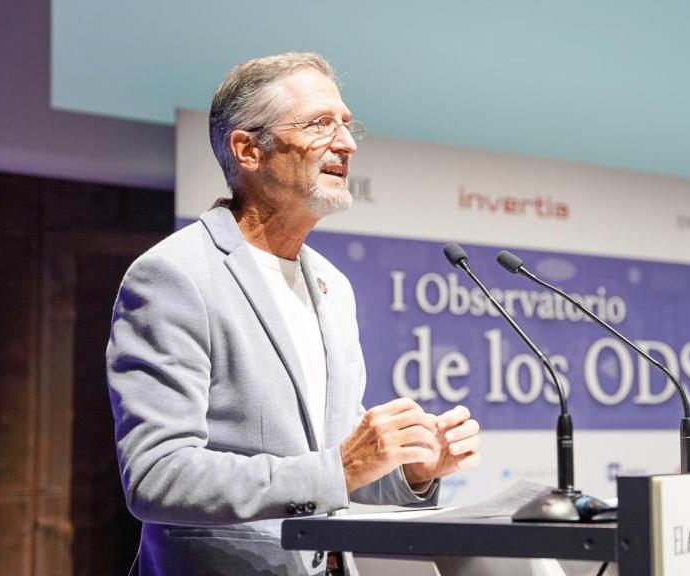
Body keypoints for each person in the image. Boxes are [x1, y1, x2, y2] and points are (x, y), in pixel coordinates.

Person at [106, 52, 481, 576]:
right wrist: (338, 467)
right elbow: (157, 476)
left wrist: (411, 469)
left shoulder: (332, 285)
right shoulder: (174, 275)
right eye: (321, 124)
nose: (347, 144)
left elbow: (331, 461)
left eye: (348, 126)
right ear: (248, 150)